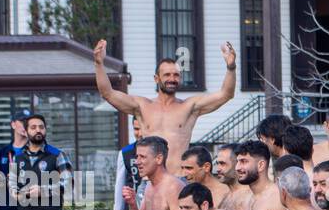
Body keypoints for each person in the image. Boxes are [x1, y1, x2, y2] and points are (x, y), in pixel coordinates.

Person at [94, 38, 237, 173]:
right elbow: (108, 93)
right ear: (156, 78)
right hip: (151, 183)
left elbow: (226, 94)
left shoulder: (189, 107)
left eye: (176, 75)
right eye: (167, 75)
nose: (172, 79)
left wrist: (231, 67)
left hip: (179, 179)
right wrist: (99, 64)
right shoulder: (142, 106)